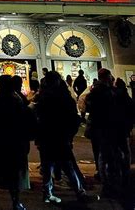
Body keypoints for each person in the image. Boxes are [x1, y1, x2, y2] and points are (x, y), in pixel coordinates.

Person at [33, 70, 87, 204]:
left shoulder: (42, 98)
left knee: (48, 166)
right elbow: (73, 118)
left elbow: (37, 119)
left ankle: (48, 193)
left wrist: (38, 136)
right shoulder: (64, 98)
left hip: (47, 137)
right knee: (67, 166)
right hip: (61, 137)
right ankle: (79, 192)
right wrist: (70, 134)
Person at [0, 74, 35, 210]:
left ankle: (14, 196)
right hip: (16, 140)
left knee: (7, 170)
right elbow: (25, 119)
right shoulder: (16, 99)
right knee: (17, 170)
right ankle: (16, 199)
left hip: (2, 140)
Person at [85, 68, 126, 196]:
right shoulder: (104, 91)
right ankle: (109, 184)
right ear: (107, 77)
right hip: (105, 128)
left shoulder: (96, 90)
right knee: (108, 156)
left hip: (100, 127)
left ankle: (107, 182)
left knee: (103, 155)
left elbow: (89, 105)